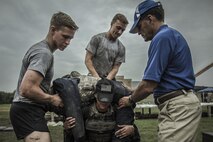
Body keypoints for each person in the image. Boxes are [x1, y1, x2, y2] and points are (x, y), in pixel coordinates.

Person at [119, 0, 202, 142]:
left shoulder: (162, 37)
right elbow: (159, 81)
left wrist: (130, 100)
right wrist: (133, 90)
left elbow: (148, 85)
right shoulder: (170, 35)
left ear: (150, 19)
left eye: (139, 26)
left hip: (177, 107)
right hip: (178, 105)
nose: (139, 32)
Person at [10, 11, 79, 142]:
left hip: (30, 109)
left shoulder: (43, 51)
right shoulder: (43, 53)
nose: (68, 42)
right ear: (53, 30)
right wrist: (52, 99)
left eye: (70, 38)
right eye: (65, 37)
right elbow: (26, 89)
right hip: (27, 109)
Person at [64, 77, 140, 142]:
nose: (104, 102)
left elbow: (131, 135)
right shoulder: (85, 111)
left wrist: (133, 130)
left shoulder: (117, 111)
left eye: (107, 99)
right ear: (96, 95)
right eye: (101, 98)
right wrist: (68, 129)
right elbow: (73, 137)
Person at [85, 13, 128, 80]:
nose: (120, 32)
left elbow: (116, 68)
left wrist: (107, 80)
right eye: (118, 28)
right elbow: (88, 60)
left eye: (122, 30)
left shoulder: (121, 48)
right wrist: (96, 77)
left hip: (108, 79)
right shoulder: (97, 39)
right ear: (111, 24)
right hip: (93, 77)